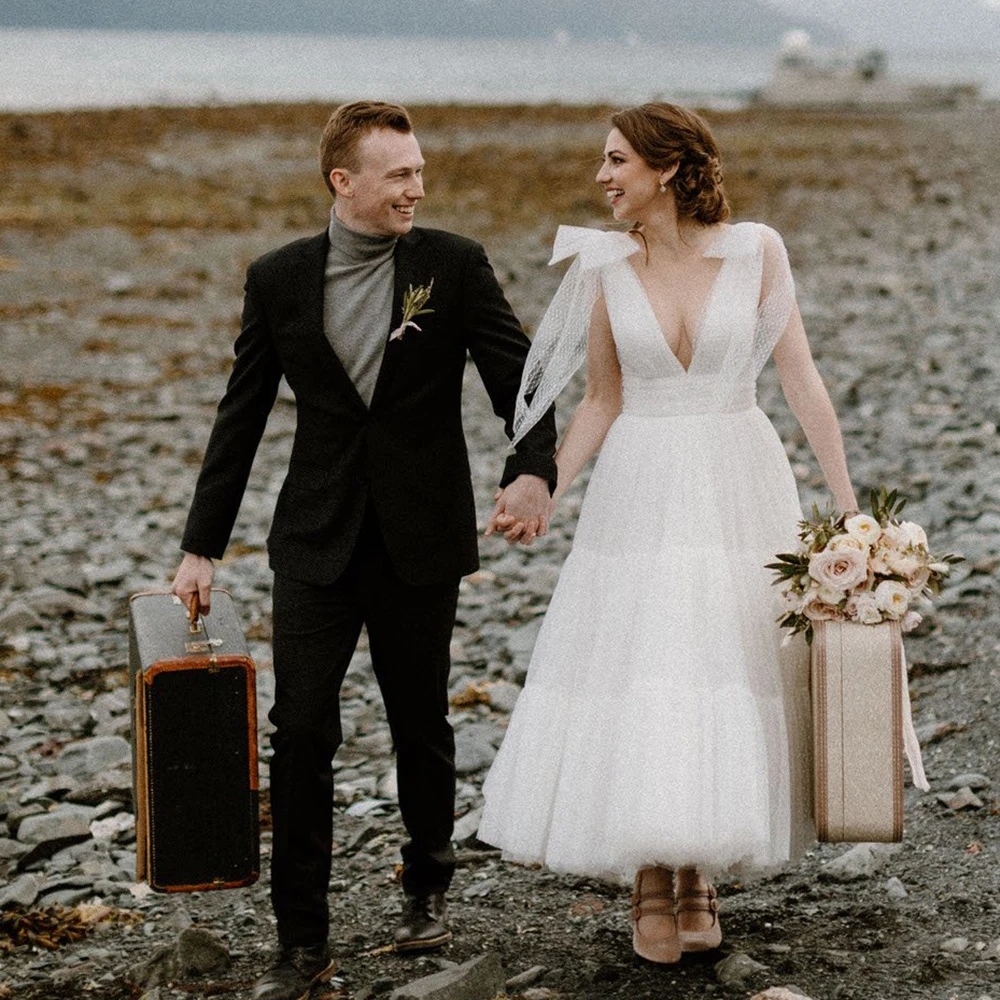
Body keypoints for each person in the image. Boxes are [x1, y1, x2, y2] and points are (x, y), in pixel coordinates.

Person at [171, 101, 556, 1000]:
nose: (417, 187)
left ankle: (427, 882)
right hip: (314, 537)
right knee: (300, 733)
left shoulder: (451, 265)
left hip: (421, 536)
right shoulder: (278, 279)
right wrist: (201, 547)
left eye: (420, 171)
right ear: (344, 181)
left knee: (419, 722)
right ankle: (301, 943)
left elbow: (520, 377)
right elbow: (243, 413)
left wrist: (532, 468)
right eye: (399, 174)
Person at [479, 102, 859, 964]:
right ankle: (653, 877)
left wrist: (850, 510)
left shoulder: (758, 249)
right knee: (649, 661)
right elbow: (602, 399)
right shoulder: (606, 265)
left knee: (724, 661)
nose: (602, 178)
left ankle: (701, 874)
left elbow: (800, 380)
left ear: (668, 167)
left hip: (736, 471)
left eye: (617, 161)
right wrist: (545, 488)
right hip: (641, 485)